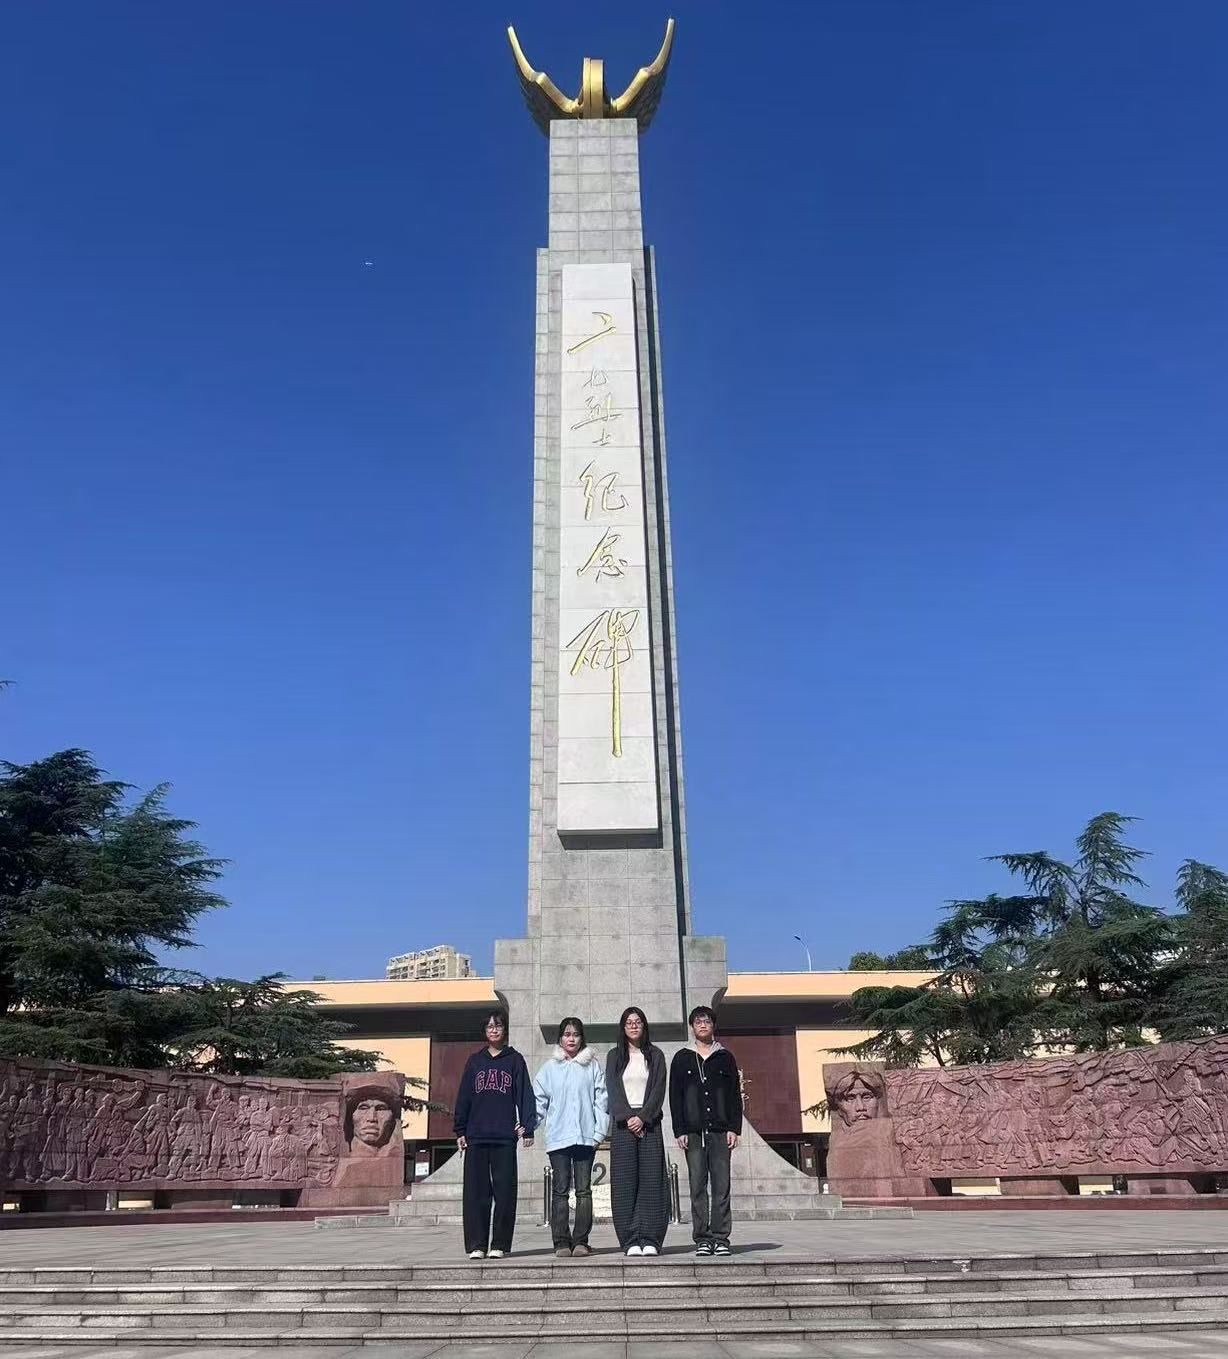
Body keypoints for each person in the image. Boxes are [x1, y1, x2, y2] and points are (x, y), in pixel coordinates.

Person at [453, 1009, 536, 1260]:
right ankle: (477, 1245)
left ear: (505, 1030)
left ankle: (499, 1244)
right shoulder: (474, 1061)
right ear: (484, 1031)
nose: (494, 1030)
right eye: (490, 1026)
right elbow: (464, 1097)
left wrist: (528, 1127)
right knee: (475, 1194)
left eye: (498, 1026)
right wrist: (460, 1129)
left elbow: (525, 1094)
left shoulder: (515, 1060)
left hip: (504, 1137)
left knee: (505, 1193)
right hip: (476, 1136)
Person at [669, 1004, 743, 1256]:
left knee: (722, 1186)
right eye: (698, 1021)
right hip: (693, 1132)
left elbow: (734, 1096)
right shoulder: (682, 1058)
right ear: (692, 1027)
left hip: (721, 1131)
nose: (703, 1025)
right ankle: (702, 1237)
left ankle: (721, 1237)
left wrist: (734, 1128)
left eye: (707, 1021)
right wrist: (679, 1130)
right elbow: (675, 1096)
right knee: (697, 1186)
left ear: (713, 1026)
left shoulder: (725, 1057)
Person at [534, 1016, 608, 1257]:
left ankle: (581, 1241)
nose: (571, 1039)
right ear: (560, 1038)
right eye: (567, 1034)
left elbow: (602, 1101)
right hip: (559, 1138)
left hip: (586, 1138)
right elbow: (539, 1100)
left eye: (576, 1034)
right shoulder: (549, 1068)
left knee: (584, 1191)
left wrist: (599, 1132)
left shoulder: (592, 1066)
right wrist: (528, 1125)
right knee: (560, 1190)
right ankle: (561, 1242)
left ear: (581, 1038)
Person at [606, 1005, 669, 1257]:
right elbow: (613, 1089)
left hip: (649, 1123)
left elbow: (658, 1090)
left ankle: (651, 1237)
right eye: (629, 1022)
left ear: (644, 1025)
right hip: (623, 1124)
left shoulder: (655, 1055)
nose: (633, 1025)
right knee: (625, 1183)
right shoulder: (614, 1056)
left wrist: (643, 1117)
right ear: (623, 1027)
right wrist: (628, 1117)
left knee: (652, 1181)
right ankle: (630, 1239)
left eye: (638, 1021)